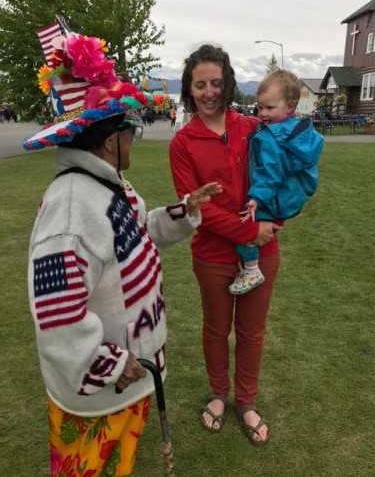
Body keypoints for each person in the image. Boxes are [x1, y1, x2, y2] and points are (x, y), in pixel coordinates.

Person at [25, 24, 222, 476]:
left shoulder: (108, 187)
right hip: (101, 391)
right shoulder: (72, 210)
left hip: (127, 378)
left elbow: (135, 238)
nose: (135, 136)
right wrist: (109, 362)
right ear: (111, 139)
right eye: (131, 128)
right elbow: (57, 319)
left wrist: (182, 211)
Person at [169, 44, 282, 445]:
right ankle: (219, 394)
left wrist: (271, 222)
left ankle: (245, 401)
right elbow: (196, 208)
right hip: (214, 255)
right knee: (217, 329)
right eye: (200, 84)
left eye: (217, 82)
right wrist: (248, 232)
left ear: (228, 82)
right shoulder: (182, 142)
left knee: (251, 332)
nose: (209, 91)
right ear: (190, 88)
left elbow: (280, 177)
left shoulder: (251, 127)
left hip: (264, 250)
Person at [229, 70, 324, 295]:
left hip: (273, 194)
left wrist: (256, 199)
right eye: (260, 107)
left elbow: (269, 172)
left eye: (269, 108)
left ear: (290, 106)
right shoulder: (300, 130)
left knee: (245, 228)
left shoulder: (270, 137)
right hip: (294, 192)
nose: (262, 113)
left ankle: (251, 270)